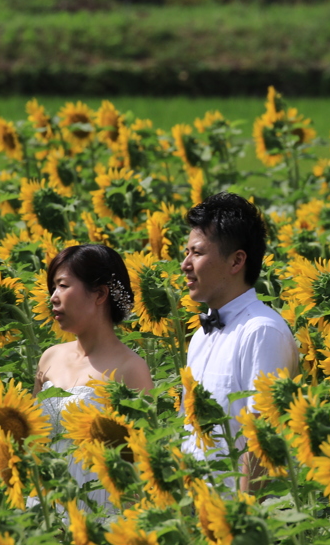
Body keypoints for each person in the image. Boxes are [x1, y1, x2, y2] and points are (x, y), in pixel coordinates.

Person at [180, 192, 299, 492]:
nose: (185, 264)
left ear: (237, 261)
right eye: (186, 252)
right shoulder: (199, 337)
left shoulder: (261, 332)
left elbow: (261, 440)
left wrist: (241, 524)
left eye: (197, 253)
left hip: (236, 520)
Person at [34, 244, 153, 507]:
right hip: (45, 507)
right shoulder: (50, 358)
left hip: (99, 508)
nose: (53, 297)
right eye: (53, 287)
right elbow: (29, 437)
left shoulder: (130, 369)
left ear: (99, 294)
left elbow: (142, 463)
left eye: (63, 286)